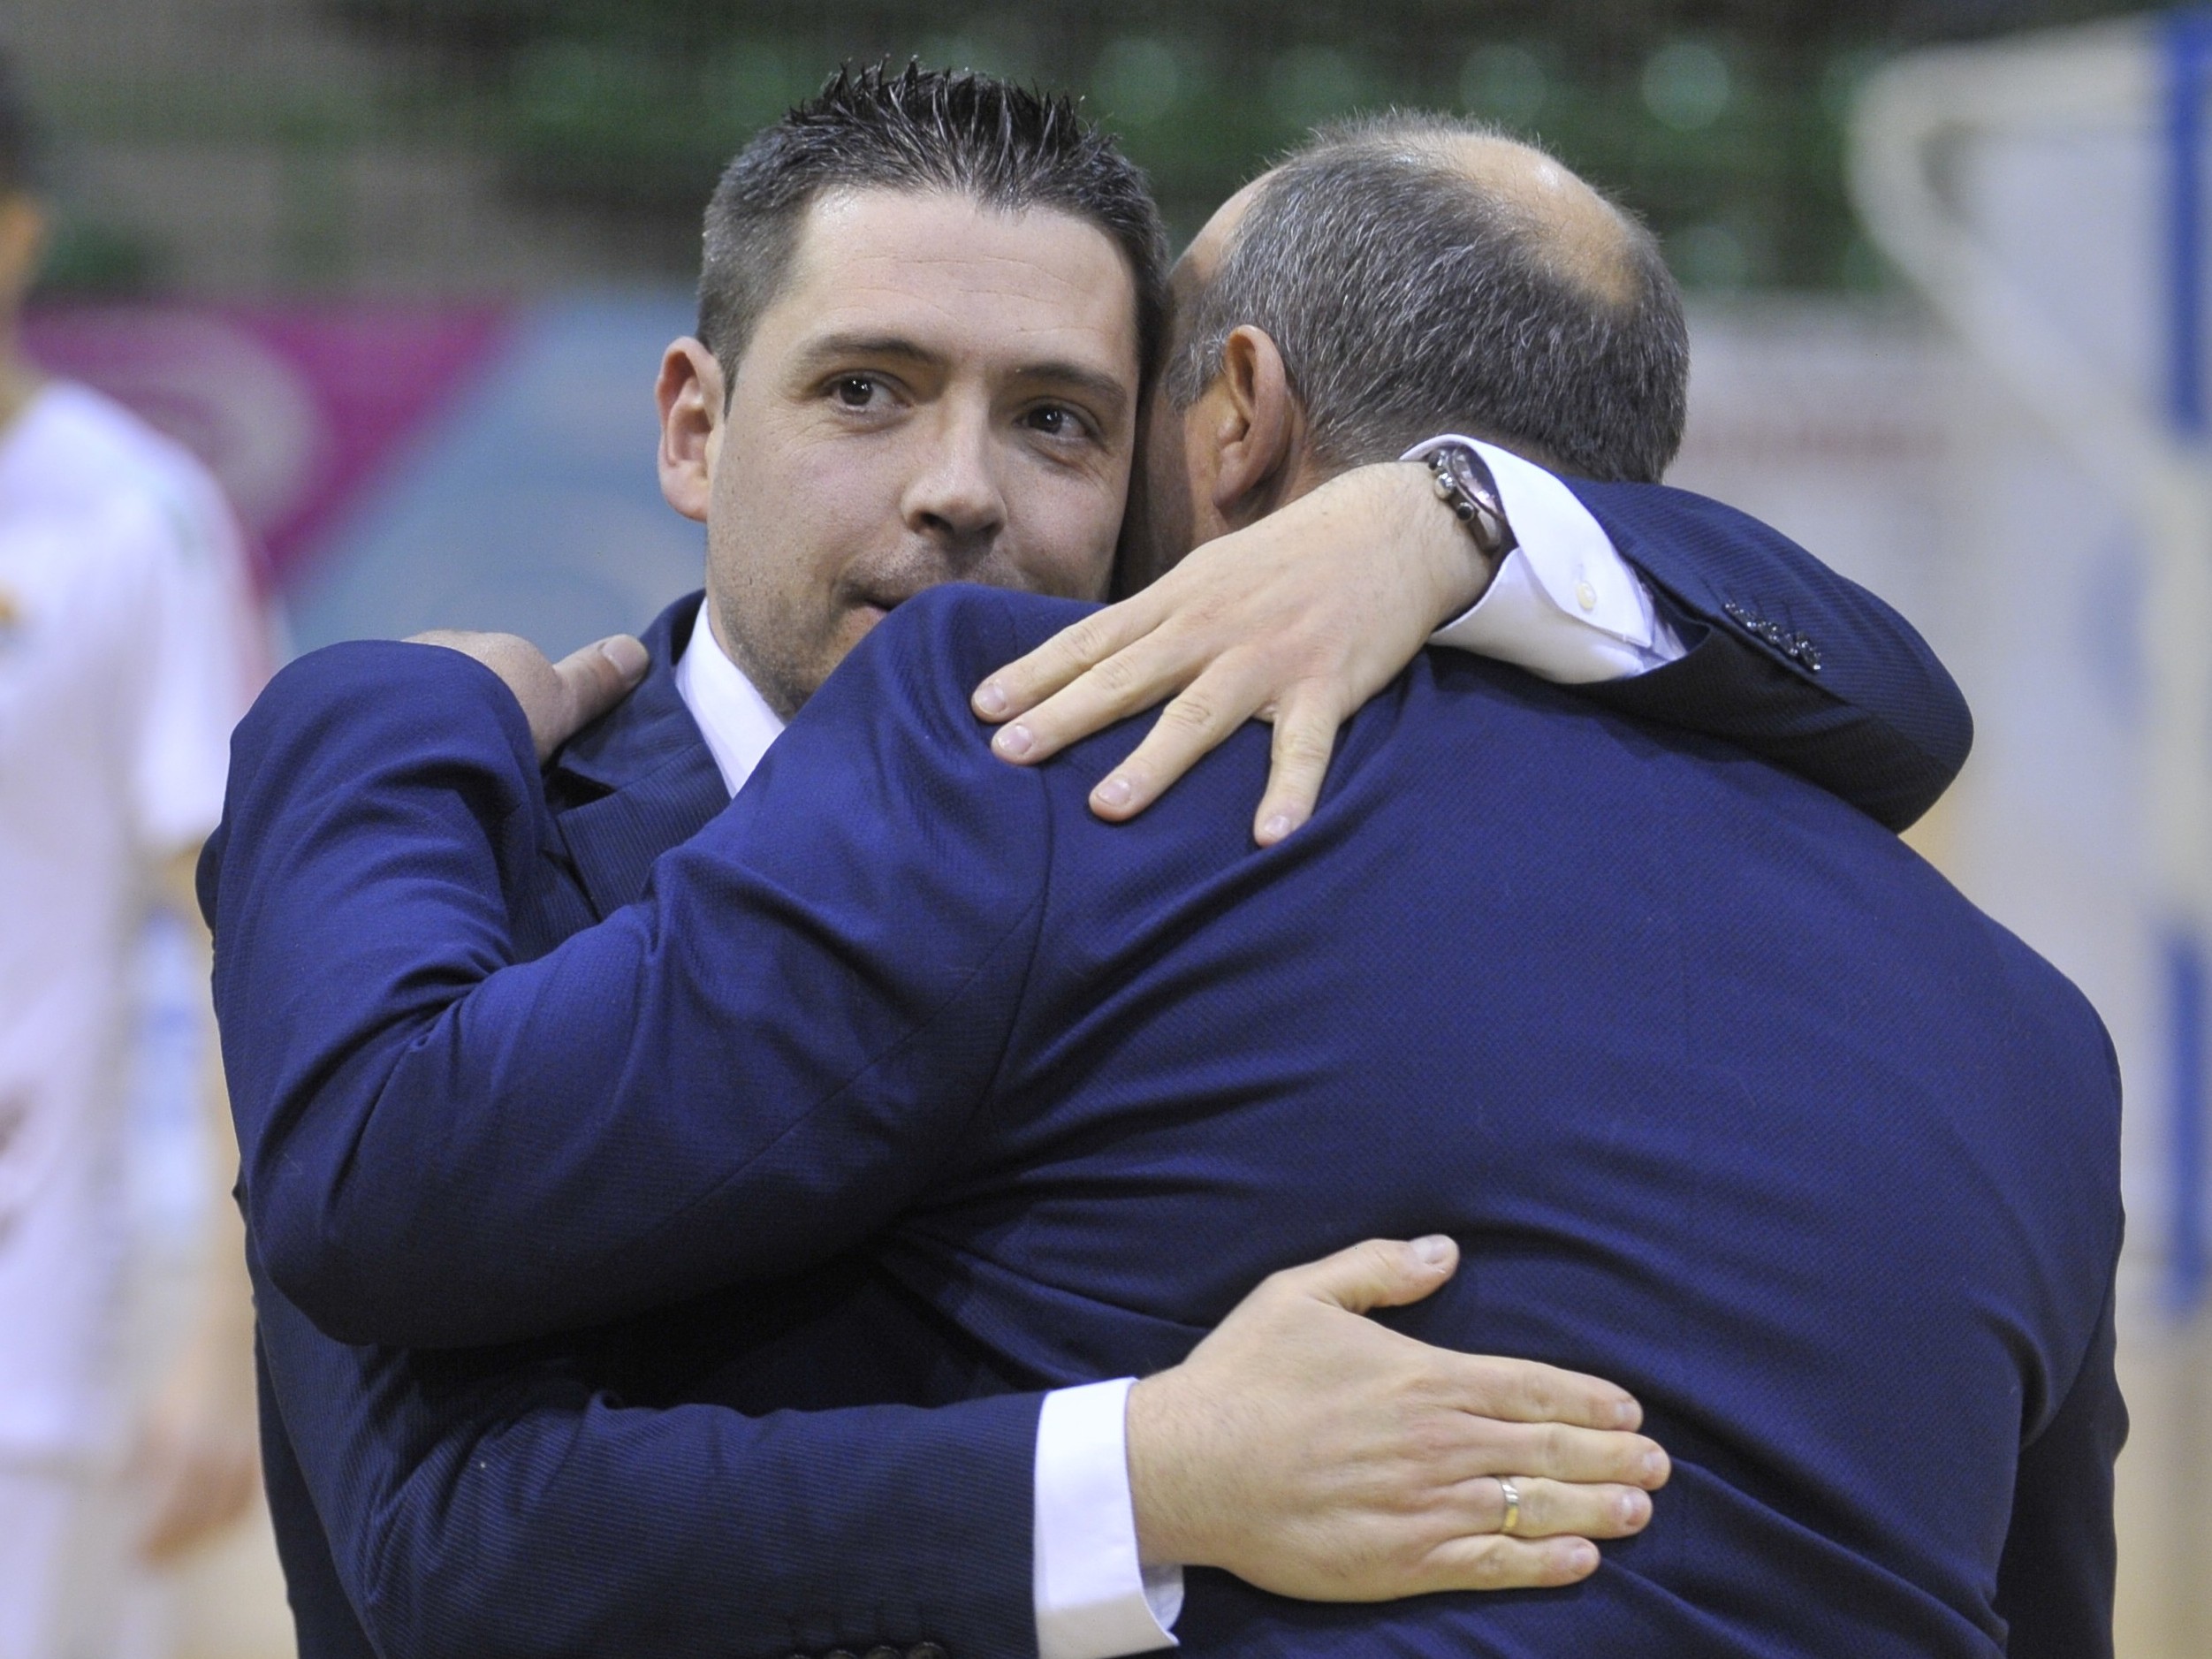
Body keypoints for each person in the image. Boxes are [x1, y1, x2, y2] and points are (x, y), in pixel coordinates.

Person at [208, 72, 1984, 1659]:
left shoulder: (1215, 833)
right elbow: (443, 1542)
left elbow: (1900, 703)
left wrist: (1444, 513)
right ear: (694, 428)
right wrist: (1144, 1476)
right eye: (865, 391)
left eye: (1058, 419)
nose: (960, 489)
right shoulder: (442, 858)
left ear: (1175, 461)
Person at [0, 53, 266, 1659]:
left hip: (39, 1357)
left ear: (15, 230)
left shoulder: (128, 520)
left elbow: (238, 931)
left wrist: (230, 1336)